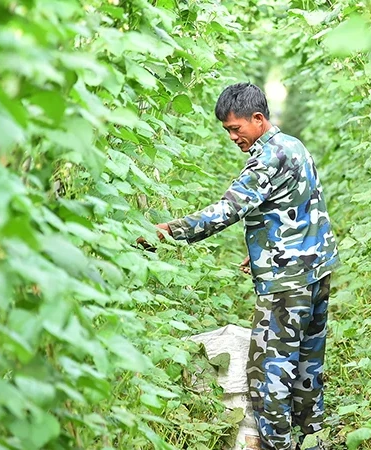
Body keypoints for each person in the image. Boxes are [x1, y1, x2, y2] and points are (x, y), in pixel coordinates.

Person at [145, 82, 339, 450]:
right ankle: (315, 440)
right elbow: (303, 205)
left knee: (269, 374)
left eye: (236, 128)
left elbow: (226, 210)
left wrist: (169, 232)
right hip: (316, 270)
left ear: (258, 119)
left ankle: (275, 445)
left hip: (287, 281)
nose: (233, 137)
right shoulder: (293, 146)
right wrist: (264, 246)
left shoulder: (266, 159)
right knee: (307, 365)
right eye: (227, 131)